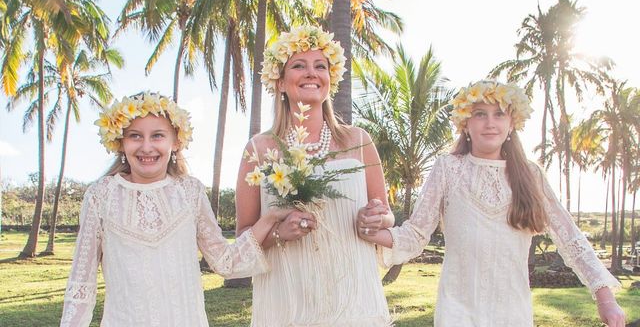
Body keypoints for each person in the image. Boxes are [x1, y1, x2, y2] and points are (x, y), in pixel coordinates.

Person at [358, 80, 625, 327]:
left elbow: (570, 238)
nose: (490, 122)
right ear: (466, 123)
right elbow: (415, 235)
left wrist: (605, 298)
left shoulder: (530, 175)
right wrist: (371, 233)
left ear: (512, 123)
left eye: (499, 114)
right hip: (457, 312)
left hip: (512, 313)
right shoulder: (448, 168)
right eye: (480, 114)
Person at [61, 92, 289, 327]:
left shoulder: (190, 192)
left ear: (176, 141)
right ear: (120, 142)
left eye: (157, 136)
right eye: (135, 136)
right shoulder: (101, 195)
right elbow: (82, 284)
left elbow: (224, 261)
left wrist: (269, 219)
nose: (146, 147)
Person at [236, 25, 394, 326]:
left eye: (320, 66)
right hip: (287, 298)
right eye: (299, 65)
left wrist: (376, 218)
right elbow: (244, 234)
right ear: (281, 82)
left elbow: (387, 217)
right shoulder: (258, 149)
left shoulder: (359, 141)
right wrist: (280, 232)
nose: (311, 73)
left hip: (352, 298)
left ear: (329, 80)